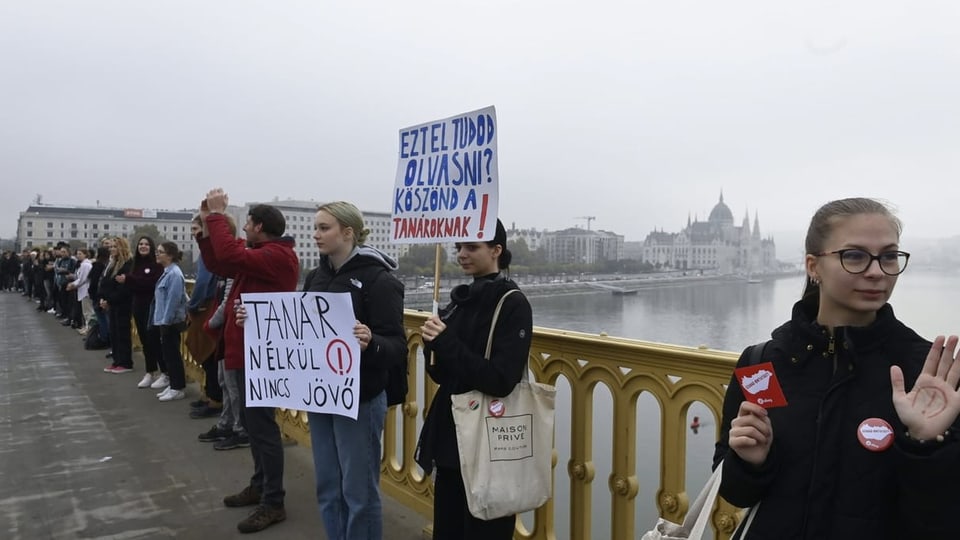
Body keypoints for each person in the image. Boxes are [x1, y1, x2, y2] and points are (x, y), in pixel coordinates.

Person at [713, 197, 960, 539]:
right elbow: (736, 493)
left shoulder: (928, 374)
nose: (877, 271)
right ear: (813, 266)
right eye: (854, 255)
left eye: (889, 256)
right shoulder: (762, 365)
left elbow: (940, 518)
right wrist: (751, 462)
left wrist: (926, 445)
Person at [415, 219, 533, 540]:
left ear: (497, 251)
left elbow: (500, 380)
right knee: (448, 529)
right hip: (453, 438)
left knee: (485, 531)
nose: (462, 254)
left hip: (489, 443)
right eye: (458, 247)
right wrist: (431, 347)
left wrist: (447, 343)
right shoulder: (460, 300)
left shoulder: (512, 303)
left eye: (471, 247)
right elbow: (442, 374)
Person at [301, 201, 406, 540]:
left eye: (323, 228)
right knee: (329, 487)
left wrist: (371, 341)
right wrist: (256, 323)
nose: (315, 234)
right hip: (322, 396)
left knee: (359, 495)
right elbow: (302, 331)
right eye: (315, 227)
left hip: (359, 399)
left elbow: (397, 346)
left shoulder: (379, 279)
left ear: (347, 232)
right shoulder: (314, 277)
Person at [197, 188, 299, 534]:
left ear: (259, 226)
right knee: (254, 428)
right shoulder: (262, 254)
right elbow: (220, 262)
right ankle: (260, 486)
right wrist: (204, 235)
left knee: (263, 429)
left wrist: (216, 215)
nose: (244, 230)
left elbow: (229, 253)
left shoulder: (278, 256)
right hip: (247, 351)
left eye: (248, 224)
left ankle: (274, 501)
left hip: (263, 355)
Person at [119, 236, 165, 388]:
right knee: (145, 340)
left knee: (154, 339)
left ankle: (165, 372)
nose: (143, 246)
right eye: (141, 244)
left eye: (146, 244)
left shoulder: (156, 265)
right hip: (138, 305)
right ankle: (150, 371)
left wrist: (130, 280)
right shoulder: (135, 264)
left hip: (152, 306)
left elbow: (150, 283)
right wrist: (131, 281)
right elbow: (135, 283)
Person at [152, 242, 189, 402]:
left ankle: (178, 387)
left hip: (170, 322)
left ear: (170, 255)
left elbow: (173, 301)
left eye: (160, 252)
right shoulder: (168, 272)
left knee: (172, 354)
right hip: (164, 320)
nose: (157, 254)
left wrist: (165, 322)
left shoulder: (174, 274)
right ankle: (173, 384)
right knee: (168, 354)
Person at [99, 237, 134, 373]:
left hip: (123, 304)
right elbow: (105, 283)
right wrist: (103, 298)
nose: (112, 249)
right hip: (112, 303)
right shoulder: (112, 263)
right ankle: (117, 360)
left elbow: (123, 289)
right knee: (114, 332)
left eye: (115, 247)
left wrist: (109, 299)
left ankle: (125, 363)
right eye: (111, 247)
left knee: (122, 333)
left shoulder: (128, 264)